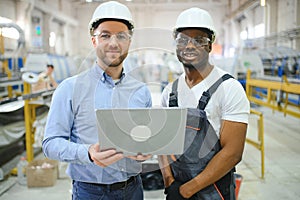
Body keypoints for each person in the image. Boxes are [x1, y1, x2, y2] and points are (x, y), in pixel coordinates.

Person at [42, 1, 152, 200]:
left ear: (129, 42)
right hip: (90, 192)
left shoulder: (141, 91)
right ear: (94, 41)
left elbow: (144, 137)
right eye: (105, 35)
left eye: (121, 36)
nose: (113, 43)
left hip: (133, 189)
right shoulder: (70, 88)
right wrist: (88, 153)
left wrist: (145, 150)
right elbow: (50, 143)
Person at [158, 7, 250, 200]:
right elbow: (163, 144)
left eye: (199, 40)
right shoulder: (170, 92)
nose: (189, 46)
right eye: (183, 40)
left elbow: (233, 153)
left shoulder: (229, 88)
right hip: (177, 189)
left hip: (214, 190)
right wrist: (169, 182)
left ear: (209, 46)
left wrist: (187, 190)